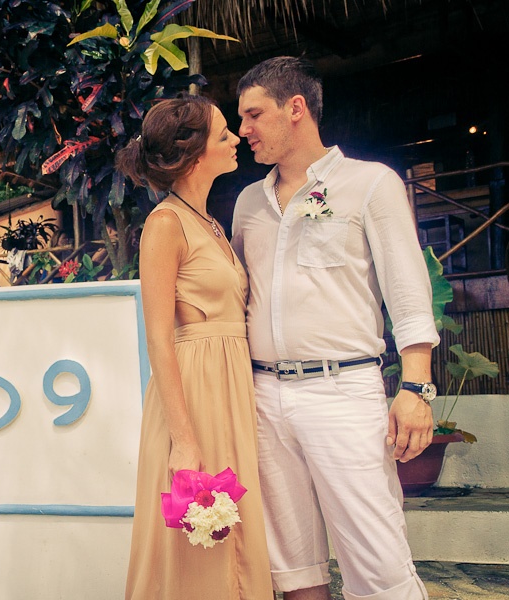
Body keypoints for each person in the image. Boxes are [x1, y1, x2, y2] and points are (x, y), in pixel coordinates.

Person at [231, 56, 440, 600]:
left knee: (377, 558)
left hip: (343, 390)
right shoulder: (248, 202)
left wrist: (416, 387)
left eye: (254, 114)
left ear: (295, 108)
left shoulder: (370, 184)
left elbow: (408, 291)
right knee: (292, 567)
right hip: (263, 396)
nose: (243, 129)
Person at [117, 94, 273, 599]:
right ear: (194, 154)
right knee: (196, 540)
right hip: (194, 392)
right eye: (223, 134)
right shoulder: (165, 224)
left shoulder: (210, 223)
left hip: (230, 387)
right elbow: (158, 337)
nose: (236, 139)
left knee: (234, 529)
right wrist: (183, 439)